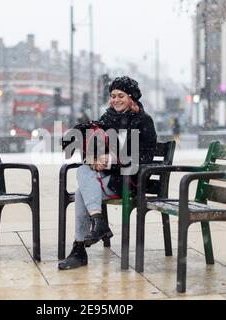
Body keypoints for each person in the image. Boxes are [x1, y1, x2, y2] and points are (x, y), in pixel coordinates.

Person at [58, 76, 158, 270]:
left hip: (130, 181)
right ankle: (97, 222)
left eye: (120, 95)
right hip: (109, 178)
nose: (115, 100)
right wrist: (94, 159)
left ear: (132, 98)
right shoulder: (107, 119)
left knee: (81, 192)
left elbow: (144, 158)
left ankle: (81, 248)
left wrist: (111, 162)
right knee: (83, 173)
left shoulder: (144, 121)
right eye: (112, 96)